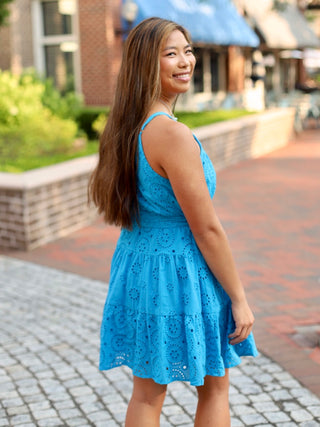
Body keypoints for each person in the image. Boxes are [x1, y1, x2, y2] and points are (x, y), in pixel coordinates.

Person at [89, 17, 258, 427]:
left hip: (138, 265)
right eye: (171, 54)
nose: (185, 62)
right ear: (147, 64)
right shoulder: (171, 135)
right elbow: (206, 228)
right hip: (179, 269)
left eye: (188, 51)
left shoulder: (124, 126)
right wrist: (238, 297)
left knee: (147, 393)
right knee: (214, 385)